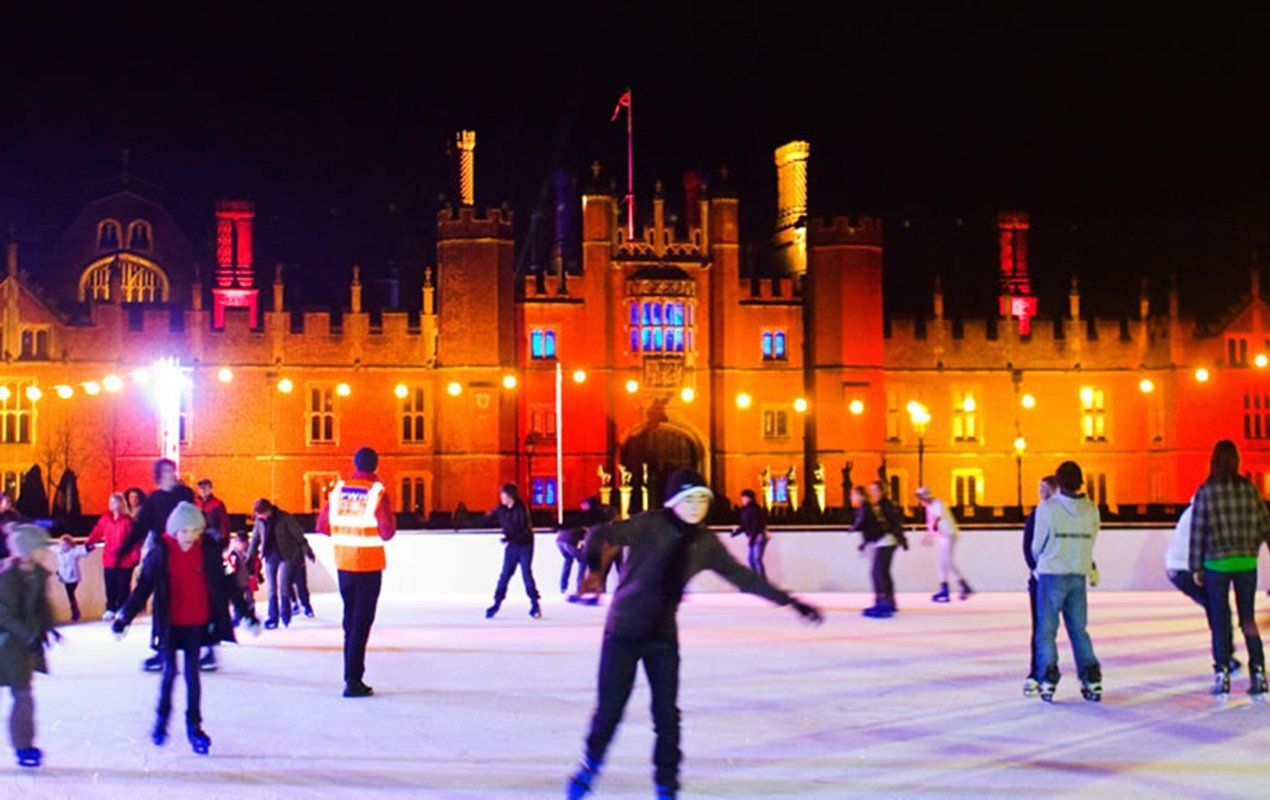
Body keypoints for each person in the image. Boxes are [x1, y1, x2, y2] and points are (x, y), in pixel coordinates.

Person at [565, 469, 823, 800]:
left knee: (667, 716)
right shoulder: (650, 525)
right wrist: (593, 568)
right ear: (674, 501)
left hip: (661, 636)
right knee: (610, 710)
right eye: (689, 498)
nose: (696, 505)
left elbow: (744, 578)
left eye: (703, 498)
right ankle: (590, 766)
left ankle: (666, 784)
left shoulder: (704, 542)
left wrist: (791, 602)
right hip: (624, 631)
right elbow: (601, 533)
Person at [111, 502, 259, 754]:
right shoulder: (161, 552)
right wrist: (123, 617)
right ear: (174, 531)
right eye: (185, 532)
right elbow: (144, 587)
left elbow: (227, 585)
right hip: (170, 624)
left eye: (195, 531)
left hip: (197, 622)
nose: (190, 537)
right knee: (169, 673)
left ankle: (194, 726)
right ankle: (162, 721)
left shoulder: (208, 552)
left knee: (192, 675)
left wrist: (246, 614)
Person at [1188, 440, 1270, 702]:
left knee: (1220, 620)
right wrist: (1254, 545)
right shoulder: (1250, 490)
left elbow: (1198, 531)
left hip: (1216, 564)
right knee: (1248, 618)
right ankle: (1258, 671)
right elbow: (1264, 524)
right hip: (1246, 562)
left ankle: (1222, 673)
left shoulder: (1206, 491)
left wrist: (1195, 566)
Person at [315, 447, 396, 698]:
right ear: (376, 466)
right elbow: (387, 532)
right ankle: (353, 679)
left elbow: (322, 527)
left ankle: (351, 674)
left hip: (343, 562)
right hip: (369, 564)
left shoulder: (338, 490)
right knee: (362, 622)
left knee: (350, 620)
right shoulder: (376, 492)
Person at [1031, 461, 1101, 703]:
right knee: (1079, 630)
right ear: (1080, 482)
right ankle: (1091, 677)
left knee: (1047, 630)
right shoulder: (1092, 510)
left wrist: (1042, 561)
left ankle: (1048, 677)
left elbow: (1036, 545)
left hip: (1052, 573)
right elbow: (1091, 540)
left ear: (1058, 482)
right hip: (1077, 573)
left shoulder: (1048, 509)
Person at [118, 459, 196, 673]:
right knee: (162, 602)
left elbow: (195, 519)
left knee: (196, 597)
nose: (170, 474)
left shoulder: (185, 495)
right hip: (163, 555)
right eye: (166, 471)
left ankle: (203, 644)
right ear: (158, 475)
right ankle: (162, 648)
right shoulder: (154, 501)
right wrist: (124, 550)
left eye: (172, 470)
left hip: (186, 552)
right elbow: (139, 529)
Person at [0, 525, 58, 768]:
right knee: (22, 694)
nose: (46, 553)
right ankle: (23, 745)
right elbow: (4, 615)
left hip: (22, 646)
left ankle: (24, 746)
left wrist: (48, 628)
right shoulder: (7, 579)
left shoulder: (38, 575)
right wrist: (28, 635)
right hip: (6, 645)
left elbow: (41, 608)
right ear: (28, 551)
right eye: (41, 549)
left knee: (23, 695)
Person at [1166, 499, 1240, 675]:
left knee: (1217, 608)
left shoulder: (1199, 511)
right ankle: (1224, 657)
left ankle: (1224, 654)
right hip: (1186, 570)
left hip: (1181, 569)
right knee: (1218, 608)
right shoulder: (1202, 515)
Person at [248, 499, 315, 629]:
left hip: (287, 555)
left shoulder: (284, 518)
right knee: (271, 588)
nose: (260, 517)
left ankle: (285, 614)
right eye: (258, 515)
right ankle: (273, 617)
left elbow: (298, 536)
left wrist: (308, 552)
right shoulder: (259, 522)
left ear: (268, 511)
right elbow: (255, 539)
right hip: (269, 556)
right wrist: (249, 556)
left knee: (283, 585)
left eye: (261, 514)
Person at [1020, 475, 1058, 697]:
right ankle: (1038, 672)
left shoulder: (1056, 514)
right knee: (1041, 629)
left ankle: (1045, 673)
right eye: (1040, 487)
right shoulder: (1036, 514)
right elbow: (1027, 547)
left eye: (1046, 488)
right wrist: (1035, 569)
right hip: (1041, 579)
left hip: (1055, 577)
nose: (1041, 492)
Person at [480, 483, 541, 619]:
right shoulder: (501, 509)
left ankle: (535, 604)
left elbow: (526, 530)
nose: (501, 497)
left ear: (510, 496)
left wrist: (510, 539)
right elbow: (487, 519)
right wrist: (465, 522)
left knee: (526, 574)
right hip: (512, 546)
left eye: (503, 494)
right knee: (505, 575)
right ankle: (496, 604)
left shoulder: (521, 509)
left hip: (525, 545)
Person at [86, 493, 137, 620]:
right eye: (110, 502)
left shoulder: (127, 521)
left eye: (114, 502)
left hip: (125, 560)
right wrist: (89, 543)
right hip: (109, 558)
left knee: (123, 586)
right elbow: (97, 531)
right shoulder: (106, 519)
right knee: (110, 585)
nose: (111, 505)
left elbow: (134, 539)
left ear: (120, 504)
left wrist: (135, 556)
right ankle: (110, 608)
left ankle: (123, 608)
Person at [916, 487, 973, 602]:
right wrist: (929, 534)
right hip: (944, 536)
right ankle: (948, 587)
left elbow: (938, 516)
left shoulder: (937, 503)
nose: (920, 501)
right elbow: (931, 522)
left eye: (920, 498)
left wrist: (935, 526)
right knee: (942, 562)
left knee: (945, 561)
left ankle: (957, 587)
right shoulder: (929, 507)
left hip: (949, 534)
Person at [558, 499, 597, 600]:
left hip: (560, 540)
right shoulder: (588, 517)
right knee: (583, 561)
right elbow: (588, 532)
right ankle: (580, 586)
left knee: (568, 560)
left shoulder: (578, 517)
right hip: (568, 540)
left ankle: (563, 586)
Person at [730, 489, 770, 581]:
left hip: (757, 536)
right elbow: (745, 525)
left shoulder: (754, 509)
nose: (742, 500)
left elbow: (756, 524)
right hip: (754, 536)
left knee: (756, 559)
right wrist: (735, 533)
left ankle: (762, 582)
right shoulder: (746, 510)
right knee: (752, 559)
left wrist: (752, 538)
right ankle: (757, 581)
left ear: (749, 498)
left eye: (744, 498)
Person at [54, 535, 92, 622]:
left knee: (70, 595)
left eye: (66, 545)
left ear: (70, 545)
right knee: (70, 595)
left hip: (73, 577)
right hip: (64, 577)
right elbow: (50, 547)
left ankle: (75, 613)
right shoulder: (58, 551)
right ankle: (75, 613)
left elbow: (82, 550)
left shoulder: (73, 552)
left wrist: (89, 547)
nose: (64, 547)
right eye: (62, 545)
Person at [225, 532, 259, 626]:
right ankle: (238, 617)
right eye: (240, 543)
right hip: (237, 582)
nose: (242, 545)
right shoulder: (233, 556)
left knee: (250, 600)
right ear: (235, 543)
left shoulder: (250, 554)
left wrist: (257, 576)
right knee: (238, 600)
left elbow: (255, 566)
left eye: (244, 543)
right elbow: (230, 568)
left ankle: (251, 616)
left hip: (248, 581)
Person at [194, 480, 229, 548]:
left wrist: (225, 539)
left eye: (205, 488)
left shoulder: (218, 504)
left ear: (210, 489)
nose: (203, 490)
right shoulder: (195, 503)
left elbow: (224, 522)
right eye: (201, 488)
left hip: (213, 534)